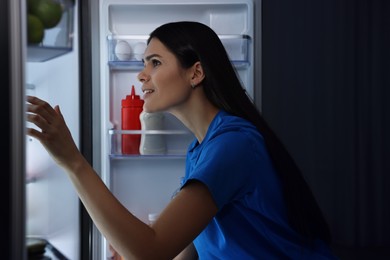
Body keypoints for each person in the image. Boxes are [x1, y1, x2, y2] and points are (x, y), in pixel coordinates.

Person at [26, 21, 337, 259]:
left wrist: (73, 161)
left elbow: (152, 251)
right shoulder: (201, 148)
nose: (141, 75)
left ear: (196, 73)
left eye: (155, 62)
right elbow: (182, 251)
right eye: (144, 63)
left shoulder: (234, 144)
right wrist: (130, 242)